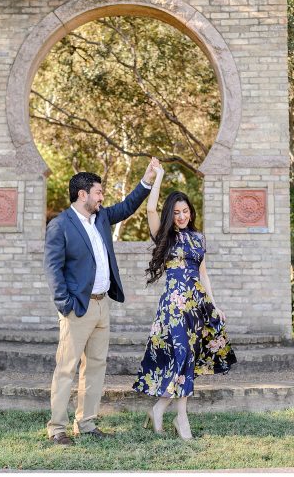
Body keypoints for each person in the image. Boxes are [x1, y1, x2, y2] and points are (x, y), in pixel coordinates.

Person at [43, 159, 159, 446]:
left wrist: (147, 180)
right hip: (77, 309)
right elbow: (53, 269)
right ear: (82, 195)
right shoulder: (61, 225)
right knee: (67, 368)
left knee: (96, 366)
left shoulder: (102, 218)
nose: (102, 197)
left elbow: (128, 205)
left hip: (101, 305)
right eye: (98, 192)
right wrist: (65, 304)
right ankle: (57, 428)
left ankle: (87, 422)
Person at [133, 167, 236, 439]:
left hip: (197, 307)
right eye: (176, 212)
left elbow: (203, 274)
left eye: (185, 211)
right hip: (173, 307)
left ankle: (162, 411)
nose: (181, 216)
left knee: (187, 359)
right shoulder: (166, 236)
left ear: (191, 211)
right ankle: (180, 418)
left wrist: (214, 304)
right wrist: (159, 176)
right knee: (180, 357)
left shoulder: (199, 238)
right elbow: (151, 209)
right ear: (171, 214)